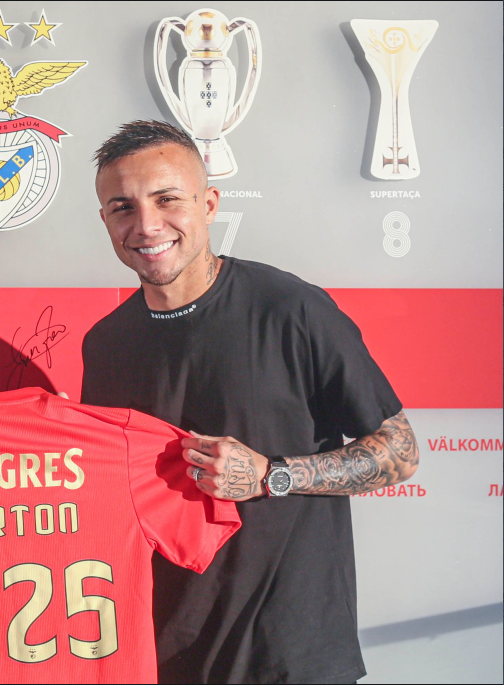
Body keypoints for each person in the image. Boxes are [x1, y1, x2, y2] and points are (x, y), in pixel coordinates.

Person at [81, 120, 419, 684]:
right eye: (123, 207)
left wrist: (271, 475)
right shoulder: (106, 344)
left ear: (209, 204)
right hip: (166, 655)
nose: (146, 225)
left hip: (291, 656)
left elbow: (400, 451)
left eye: (167, 199)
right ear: (105, 221)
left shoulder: (292, 308)